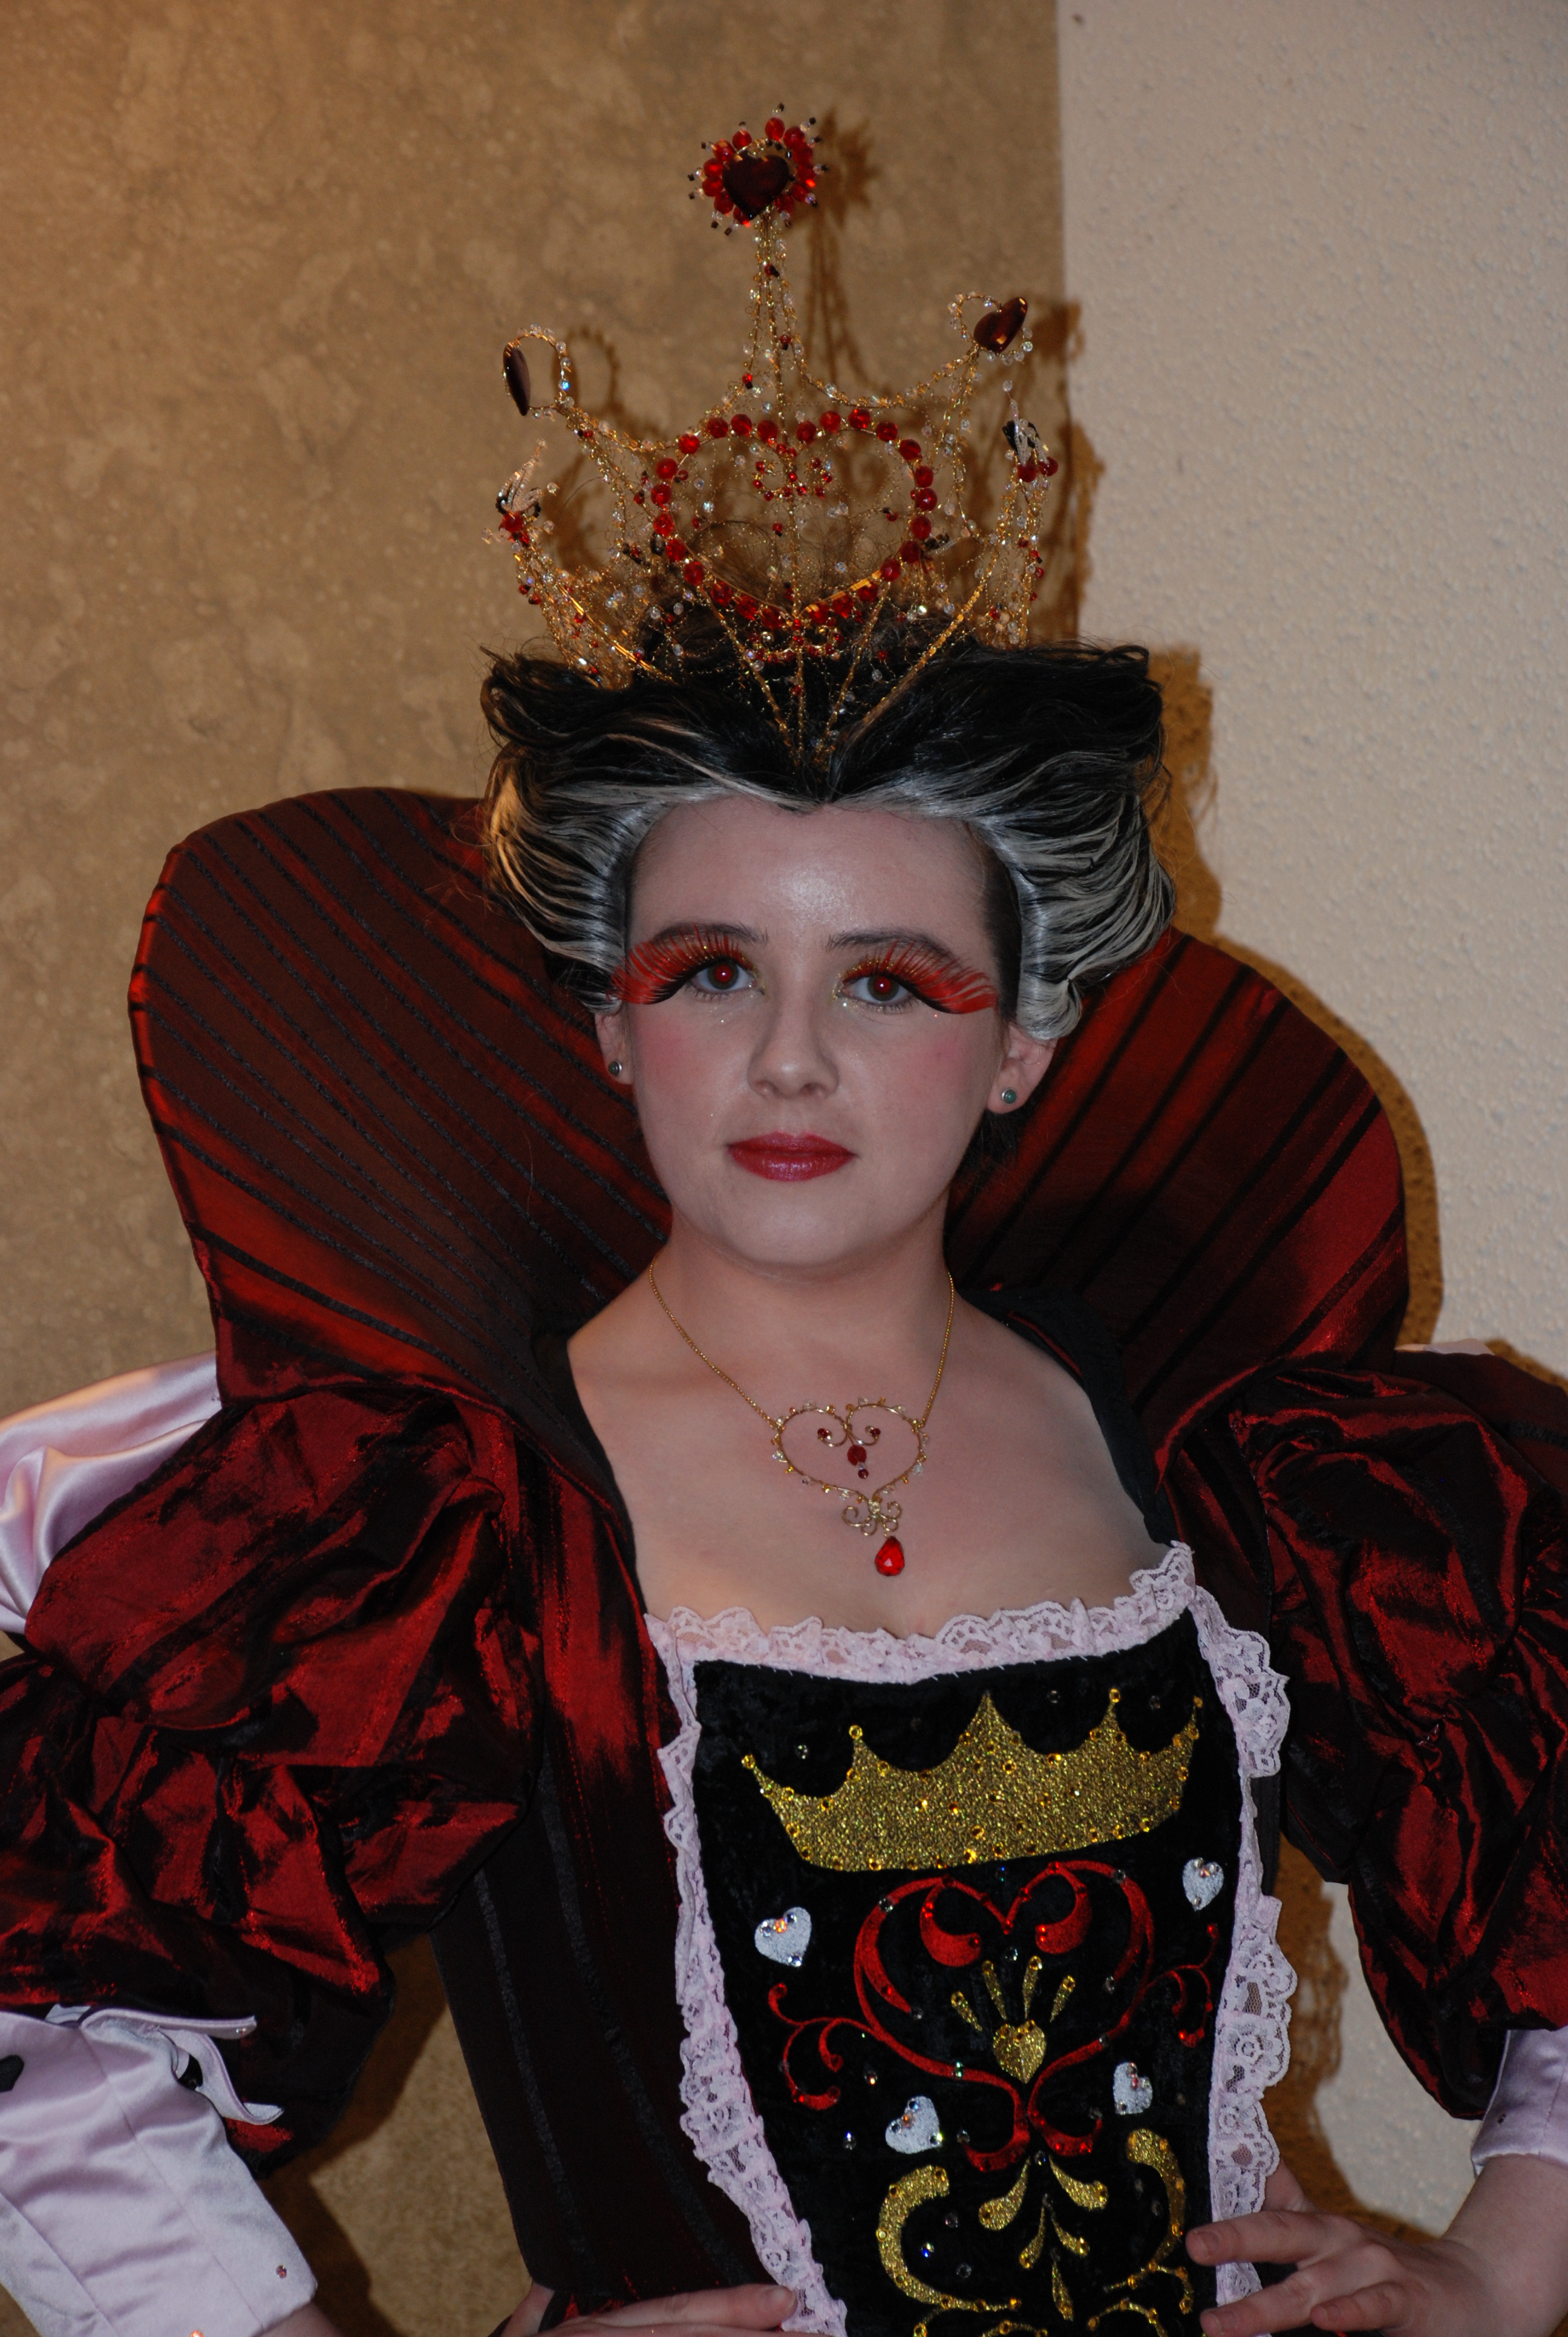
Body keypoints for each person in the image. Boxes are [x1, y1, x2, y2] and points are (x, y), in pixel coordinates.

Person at [2, 122, 1567, 2337]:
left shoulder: (1235, 1451)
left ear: (1022, 1042)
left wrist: (1503, 2262)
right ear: (610, 1025)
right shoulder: (431, 1515)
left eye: (895, 985)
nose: (796, 1062)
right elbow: (52, 2041)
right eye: (714, 972)